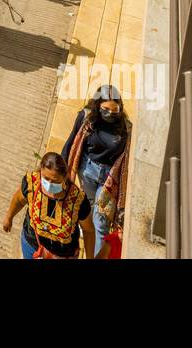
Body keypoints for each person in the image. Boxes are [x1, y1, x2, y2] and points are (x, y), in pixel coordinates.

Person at [63, 84, 131, 258]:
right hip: (87, 170)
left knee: (101, 222)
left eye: (114, 110)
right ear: (98, 105)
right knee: (90, 205)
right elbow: (71, 141)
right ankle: (88, 235)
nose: (109, 113)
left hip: (109, 178)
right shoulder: (86, 117)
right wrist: (62, 170)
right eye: (105, 109)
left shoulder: (126, 128)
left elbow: (125, 159)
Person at [2, 151, 95, 259]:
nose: (50, 184)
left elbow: (88, 230)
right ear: (41, 170)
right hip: (32, 246)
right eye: (46, 178)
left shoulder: (78, 200)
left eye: (55, 181)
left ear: (64, 178)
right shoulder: (31, 182)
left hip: (63, 255)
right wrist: (9, 217)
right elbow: (18, 200)